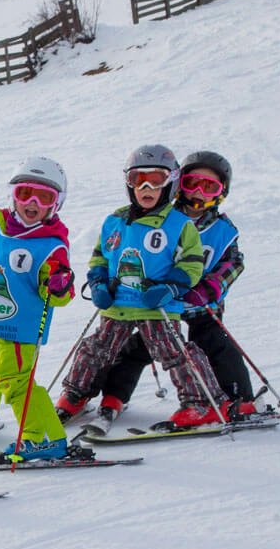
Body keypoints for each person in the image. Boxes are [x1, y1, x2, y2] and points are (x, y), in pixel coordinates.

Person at [56, 145, 225, 430]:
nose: (146, 187)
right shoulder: (115, 221)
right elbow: (100, 256)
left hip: (155, 304)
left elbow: (193, 264)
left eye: (156, 180)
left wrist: (171, 288)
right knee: (96, 349)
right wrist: (98, 282)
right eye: (138, 180)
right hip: (118, 303)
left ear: (170, 183)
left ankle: (202, 403)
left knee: (173, 352)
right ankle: (76, 394)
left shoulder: (180, 225)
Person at [88, 150, 253, 424]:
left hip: (201, 304)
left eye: (209, 187)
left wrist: (206, 290)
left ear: (221, 193)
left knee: (213, 344)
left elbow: (232, 264)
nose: (198, 193)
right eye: (192, 184)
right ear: (178, 185)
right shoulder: (162, 217)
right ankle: (114, 396)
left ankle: (239, 400)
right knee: (137, 347)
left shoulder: (222, 229)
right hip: (159, 303)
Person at [0, 158, 78, 462]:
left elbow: (58, 291)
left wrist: (58, 285)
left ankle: (44, 437)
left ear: (56, 204)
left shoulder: (51, 245)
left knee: (14, 379)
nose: (32, 203)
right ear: (13, 195)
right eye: (25, 193)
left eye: (44, 197)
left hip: (22, 327)